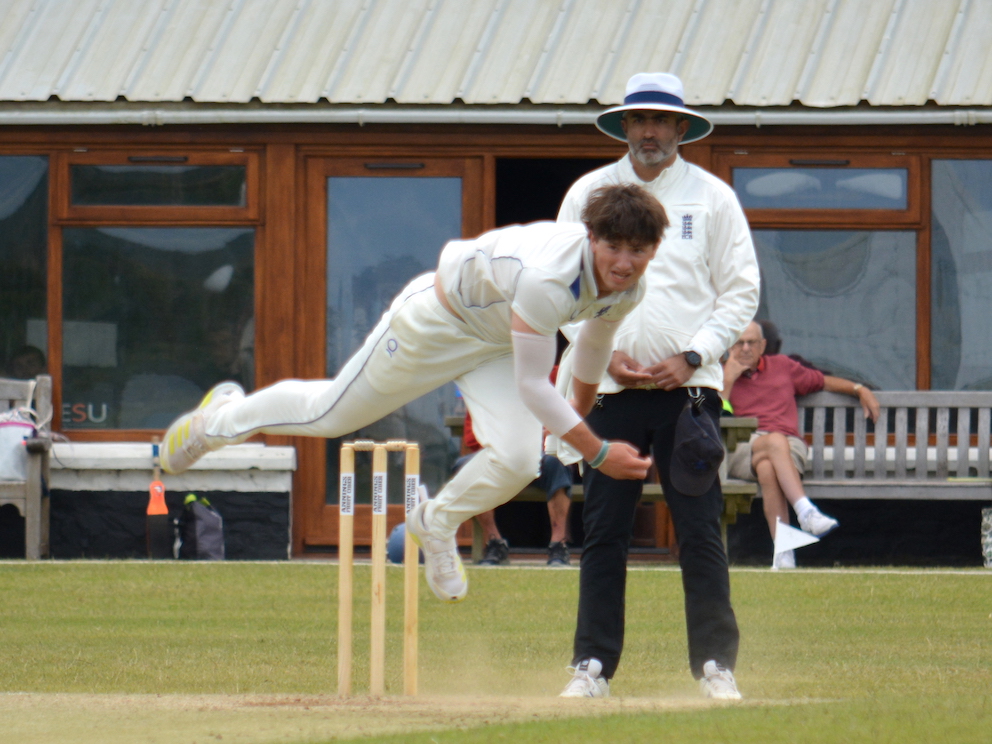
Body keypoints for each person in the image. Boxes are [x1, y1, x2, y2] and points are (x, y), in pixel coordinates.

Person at [160, 183, 668, 603]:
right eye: (614, 247)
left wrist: (577, 415)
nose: (624, 262)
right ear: (591, 237)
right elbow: (534, 385)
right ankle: (218, 421)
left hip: (497, 343)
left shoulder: (630, 287)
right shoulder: (548, 279)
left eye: (638, 251)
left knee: (519, 462)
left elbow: (593, 347)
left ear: (653, 250)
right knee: (330, 415)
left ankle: (436, 523)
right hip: (437, 323)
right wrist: (597, 452)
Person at [552, 72, 760, 701]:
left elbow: (741, 291)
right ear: (624, 126)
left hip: (688, 391)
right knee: (604, 531)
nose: (649, 132)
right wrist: (602, 352)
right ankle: (591, 668)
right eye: (639, 120)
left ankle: (716, 666)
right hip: (609, 392)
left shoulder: (712, 197)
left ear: (679, 128)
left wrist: (694, 354)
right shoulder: (589, 193)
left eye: (660, 121)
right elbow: (556, 285)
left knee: (698, 529)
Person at [722, 320, 881, 569]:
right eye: (739, 343)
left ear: (762, 346)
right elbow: (709, 416)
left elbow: (822, 382)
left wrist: (859, 389)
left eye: (751, 342)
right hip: (741, 445)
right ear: (729, 346)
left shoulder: (783, 366)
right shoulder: (718, 374)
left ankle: (784, 554)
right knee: (774, 441)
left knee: (768, 468)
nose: (745, 348)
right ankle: (805, 511)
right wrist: (728, 380)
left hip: (787, 446)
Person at [456, 408, 575, 566]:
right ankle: (494, 542)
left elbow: (559, 426)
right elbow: (472, 438)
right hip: (496, 458)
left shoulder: (540, 392)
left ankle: (558, 545)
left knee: (558, 463)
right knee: (466, 466)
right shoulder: (483, 395)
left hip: (538, 454)